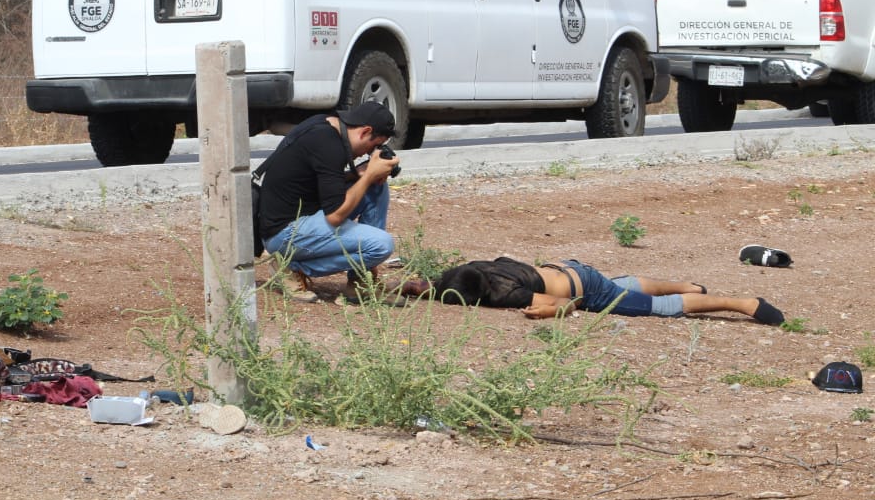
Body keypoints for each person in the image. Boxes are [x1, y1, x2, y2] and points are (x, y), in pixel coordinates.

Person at [258, 101, 427, 303]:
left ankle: (360, 284)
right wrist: (367, 175)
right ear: (365, 132)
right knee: (381, 245)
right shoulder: (328, 145)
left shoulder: (327, 126)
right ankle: (291, 266)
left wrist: (360, 175)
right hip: (284, 233)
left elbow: (322, 181)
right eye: (372, 147)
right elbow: (335, 215)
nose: (367, 154)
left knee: (376, 186)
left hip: (304, 216)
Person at [428, 256, 785, 325]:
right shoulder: (479, 268)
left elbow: (564, 304)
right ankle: (687, 284)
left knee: (659, 309)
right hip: (570, 268)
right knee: (624, 287)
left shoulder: (503, 292)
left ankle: (742, 304)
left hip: (585, 290)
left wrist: (551, 311)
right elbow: (429, 285)